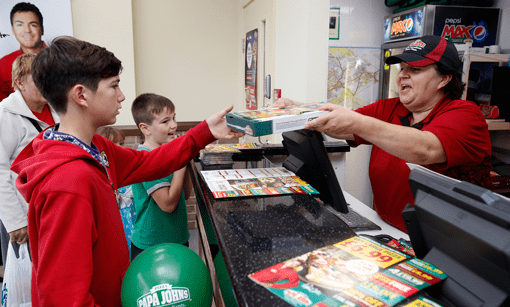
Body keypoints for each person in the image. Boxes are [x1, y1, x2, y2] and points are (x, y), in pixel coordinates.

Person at [10, 36, 243, 307]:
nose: (121, 96)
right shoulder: (68, 183)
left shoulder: (94, 147)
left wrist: (204, 133)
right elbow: (64, 298)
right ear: (81, 95)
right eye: (114, 86)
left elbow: (148, 163)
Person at [274, 35, 491, 233]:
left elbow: (425, 149)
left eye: (415, 69)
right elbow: (342, 123)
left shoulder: (466, 115)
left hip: (449, 242)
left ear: (444, 79)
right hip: (389, 230)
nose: (403, 74)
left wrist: (360, 122)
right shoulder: (390, 108)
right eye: (403, 67)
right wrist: (297, 110)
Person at [0, 53, 58, 266]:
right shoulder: (5, 115)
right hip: (25, 217)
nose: (47, 83)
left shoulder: (58, 109)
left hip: (55, 211)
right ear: (19, 83)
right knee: (28, 287)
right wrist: (15, 222)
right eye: (39, 78)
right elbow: (0, 172)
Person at [129, 93, 193, 260]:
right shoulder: (146, 159)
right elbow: (168, 204)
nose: (174, 125)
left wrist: (186, 160)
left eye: (174, 118)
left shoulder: (166, 152)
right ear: (145, 128)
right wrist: (180, 162)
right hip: (152, 245)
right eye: (165, 121)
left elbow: (185, 194)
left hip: (177, 238)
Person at [96, 127, 136, 257]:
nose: (120, 147)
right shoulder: (103, 174)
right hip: (118, 226)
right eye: (114, 144)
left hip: (135, 220)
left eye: (122, 143)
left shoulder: (129, 168)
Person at [0, 2, 46, 101]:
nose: (27, 30)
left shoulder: (62, 57)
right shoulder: (3, 65)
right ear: (13, 29)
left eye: (33, 25)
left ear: (42, 28)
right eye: (20, 25)